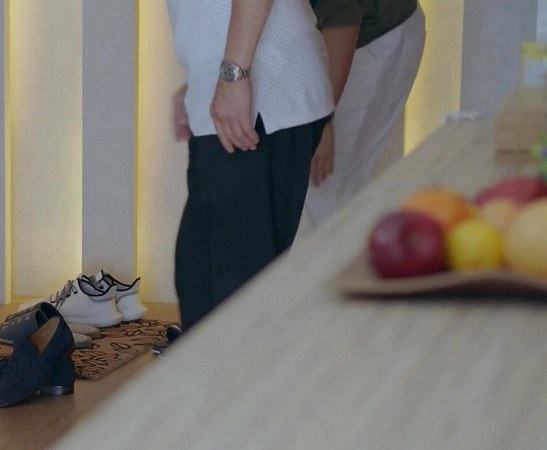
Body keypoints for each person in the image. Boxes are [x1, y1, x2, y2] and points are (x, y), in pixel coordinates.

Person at [167, 0, 334, 334]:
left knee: (230, 304)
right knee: (200, 286)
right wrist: (199, 82)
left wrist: (233, 75)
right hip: (235, 90)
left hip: (263, 99)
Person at [299, 0, 425, 236]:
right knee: (336, 184)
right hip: (343, 30)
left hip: (368, 39)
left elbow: (341, 17)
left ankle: (335, 255)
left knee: (325, 186)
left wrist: (322, 121)